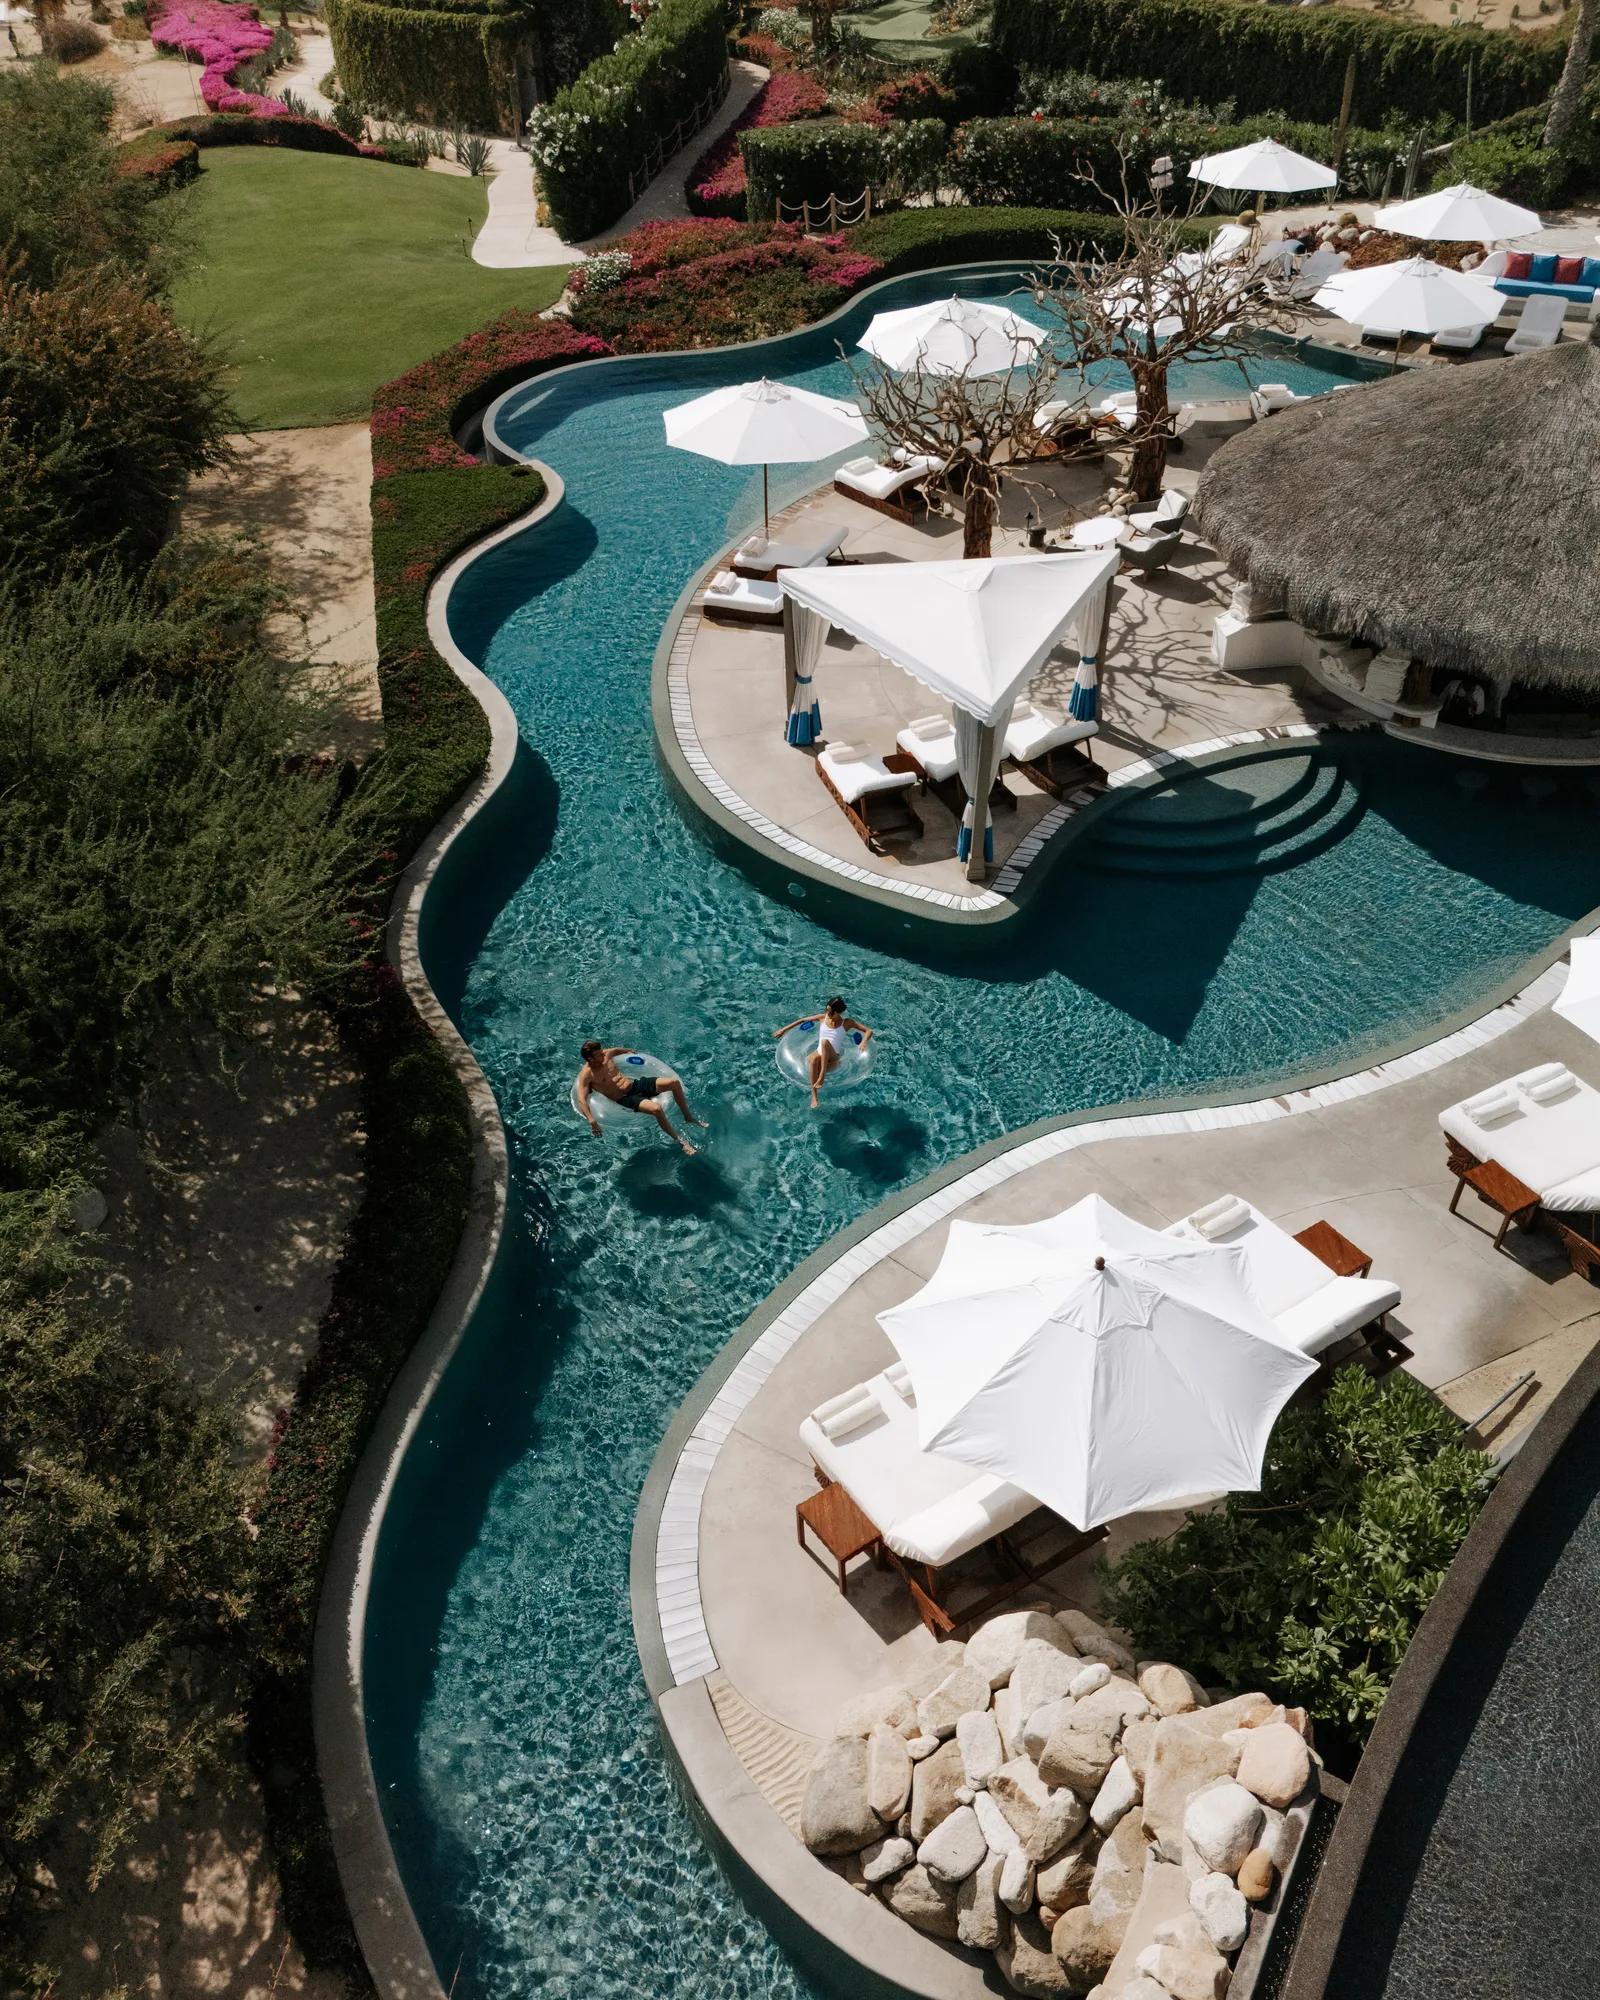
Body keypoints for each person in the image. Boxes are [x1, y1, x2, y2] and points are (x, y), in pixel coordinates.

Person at [576, 1042, 705, 1156]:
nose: (603, 1055)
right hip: (626, 1098)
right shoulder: (587, 1075)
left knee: (674, 1083)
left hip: (635, 1085)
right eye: (599, 1055)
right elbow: (581, 1099)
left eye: (602, 1052)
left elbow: (615, 1050)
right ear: (590, 1059)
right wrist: (592, 1120)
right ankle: (681, 1141)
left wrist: (628, 1051)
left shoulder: (607, 1054)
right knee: (656, 1109)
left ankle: (688, 1117)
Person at [773, 997, 873, 1111]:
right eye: (827, 1009)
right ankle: (814, 1097)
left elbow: (869, 1031)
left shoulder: (847, 1023)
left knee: (825, 1042)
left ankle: (821, 1076)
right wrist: (783, 1030)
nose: (827, 1013)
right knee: (812, 1059)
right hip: (820, 1053)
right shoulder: (822, 1018)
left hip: (834, 1056)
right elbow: (802, 1021)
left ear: (838, 1012)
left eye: (830, 1011)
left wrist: (863, 1042)